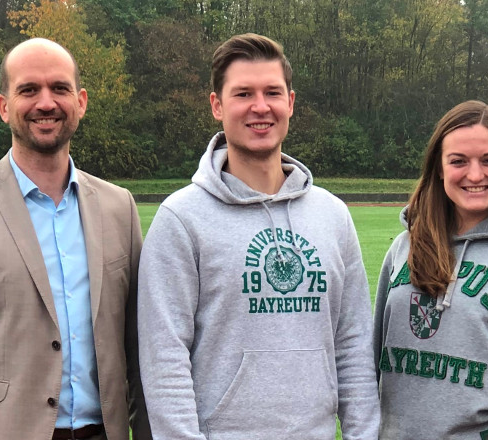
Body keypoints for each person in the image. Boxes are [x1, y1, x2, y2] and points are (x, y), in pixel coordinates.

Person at [137, 33, 380, 439]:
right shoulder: (181, 218)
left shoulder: (332, 216)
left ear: (291, 103)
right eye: (243, 93)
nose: (260, 107)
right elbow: (165, 360)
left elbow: (353, 345)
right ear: (217, 105)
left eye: (272, 92)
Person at [0, 38, 150, 440]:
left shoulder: (119, 209)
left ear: (81, 102)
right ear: (4, 106)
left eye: (59, 88)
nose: (46, 103)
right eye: (28, 90)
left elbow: (139, 351)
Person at [372, 100, 488, 439]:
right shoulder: (405, 247)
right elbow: (372, 361)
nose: (476, 175)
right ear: (439, 168)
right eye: (458, 161)